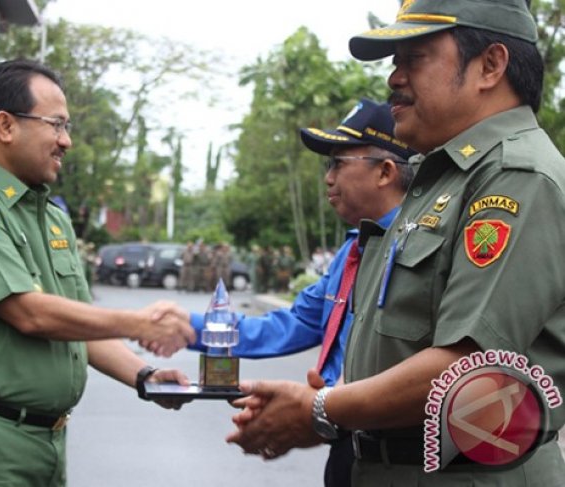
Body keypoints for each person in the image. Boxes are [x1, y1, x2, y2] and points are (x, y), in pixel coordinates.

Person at [226, 1, 565, 486]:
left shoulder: (514, 177)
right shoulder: (441, 181)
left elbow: (467, 369)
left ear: (490, 65)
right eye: (394, 61)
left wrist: (321, 408)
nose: (393, 78)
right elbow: (399, 346)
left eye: (415, 57)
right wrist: (329, 414)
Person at [0, 59, 195, 486]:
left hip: (47, 442)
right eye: (56, 125)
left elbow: (79, 325)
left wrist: (145, 376)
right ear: (6, 126)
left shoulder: (51, 218)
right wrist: (141, 322)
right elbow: (30, 313)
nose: (66, 141)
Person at [173, 98, 416, 486]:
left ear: (386, 171)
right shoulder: (353, 251)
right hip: (346, 449)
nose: (328, 178)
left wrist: (316, 409)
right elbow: (293, 323)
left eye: (338, 163)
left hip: (402, 458)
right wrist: (189, 328)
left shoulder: (420, 247)